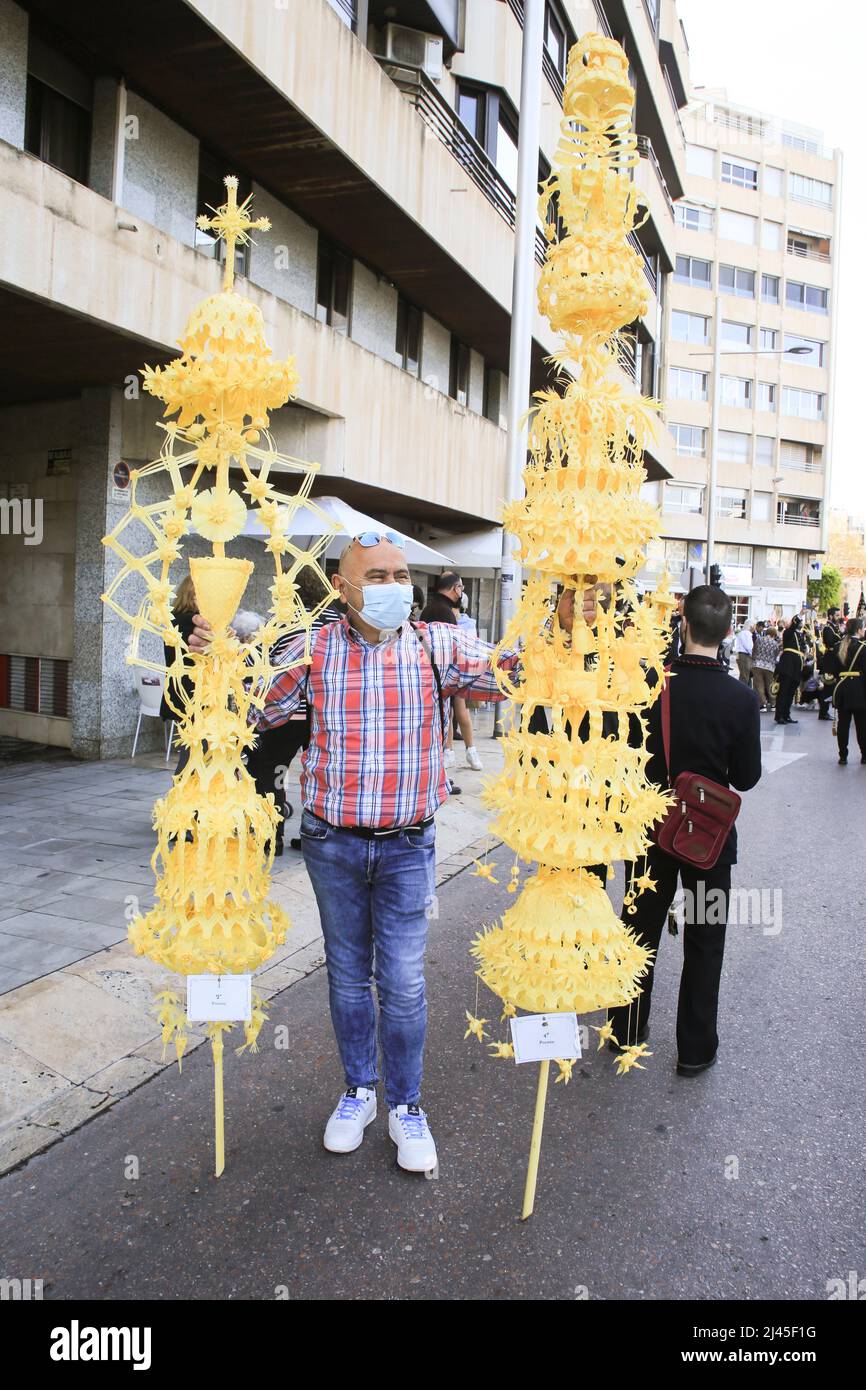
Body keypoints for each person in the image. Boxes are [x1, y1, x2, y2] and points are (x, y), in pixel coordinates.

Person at [188, 533, 522, 1174]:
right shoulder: (311, 651)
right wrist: (215, 656)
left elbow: (516, 670)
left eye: (402, 575)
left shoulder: (436, 644)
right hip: (332, 845)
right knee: (346, 978)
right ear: (344, 589)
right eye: (379, 576)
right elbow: (250, 705)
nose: (396, 586)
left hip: (406, 846)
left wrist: (567, 621)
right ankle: (358, 1092)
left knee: (401, 982)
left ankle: (406, 1106)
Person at [607, 586, 762, 1074]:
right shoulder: (741, 699)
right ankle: (695, 1051)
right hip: (709, 843)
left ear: (685, 625)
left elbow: (627, 753)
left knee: (639, 933)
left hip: (651, 831)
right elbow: (746, 777)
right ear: (728, 632)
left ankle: (626, 1029)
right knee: (705, 941)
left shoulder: (653, 684)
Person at [245, 574, 342, 855]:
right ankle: (314, 836)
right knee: (323, 776)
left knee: (271, 772)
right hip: (325, 714)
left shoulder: (282, 624)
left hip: (286, 715)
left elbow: (267, 667)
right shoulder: (337, 622)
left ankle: (269, 837)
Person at [421, 572, 483, 773]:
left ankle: (450, 753)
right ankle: (468, 752)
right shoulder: (445, 612)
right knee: (456, 710)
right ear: (455, 588)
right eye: (461, 587)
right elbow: (454, 645)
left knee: (447, 712)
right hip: (448, 672)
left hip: (433, 672)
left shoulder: (429, 609)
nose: (461, 592)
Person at [160, 573, 197, 774]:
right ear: (193, 594)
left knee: (191, 747)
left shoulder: (174, 620)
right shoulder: (193, 621)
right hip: (193, 695)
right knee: (194, 750)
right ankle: (182, 794)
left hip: (178, 691)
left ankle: (187, 795)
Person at [827, 618, 866, 765]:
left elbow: (832, 671)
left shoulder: (838, 646)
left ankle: (843, 755)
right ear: (858, 630)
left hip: (842, 688)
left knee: (843, 724)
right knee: (861, 725)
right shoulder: (863, 648)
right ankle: (864, 755)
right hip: (859, 690)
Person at [774, 615, 807, 725]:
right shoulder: (788, 632)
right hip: (788, 665)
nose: (802, 622)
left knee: (791, 692)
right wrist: (800, 614)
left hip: (797, 667)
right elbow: (793, 626)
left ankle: (786, 714)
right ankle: (779, 715)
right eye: (800, 621)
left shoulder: (801, 634)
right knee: (783, 691)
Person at [750, 621, 779, 712]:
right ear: (774, 634)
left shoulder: (759, 639)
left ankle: (762, 705)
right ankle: (773, 704)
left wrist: (754, 660)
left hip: (757, 665)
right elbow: (776, 656)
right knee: (770, 685)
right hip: (770, 667)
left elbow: (754, 650)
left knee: (759, 685)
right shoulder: (775, 643)